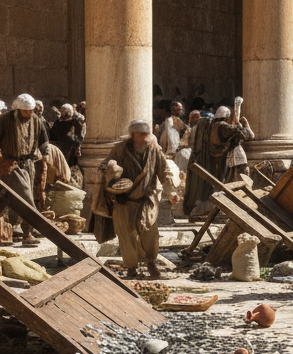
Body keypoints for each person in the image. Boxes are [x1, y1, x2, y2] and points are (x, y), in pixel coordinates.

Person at [97, 119, 179, 279]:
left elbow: (165, 173)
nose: (143, 138)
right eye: (140, 134)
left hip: (146, 199)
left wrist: (171, 193)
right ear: (133, 135)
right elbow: (105, 164)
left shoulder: (154, 151)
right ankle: (131, 268)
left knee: (150, 233)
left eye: (145, 134)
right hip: (123, 199)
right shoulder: (119, 149)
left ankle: (150, 262)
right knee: (126, 236)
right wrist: (111, 168)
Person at [0, 93, 50, 243]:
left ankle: (27, 232)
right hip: (9, 164)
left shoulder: (36, 121)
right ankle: (14, 230)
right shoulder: (5, 120)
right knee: (14, 198)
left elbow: (44, 141)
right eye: (26, 111)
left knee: (27, 196)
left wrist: (45, 155)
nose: (29, 114)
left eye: (31, 111)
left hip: (28, 163)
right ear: (17, 110)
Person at [182, 111, 217, 219]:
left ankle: (196, 211)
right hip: (202, 161)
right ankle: (198, 212)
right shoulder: (205, 129)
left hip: (197, 160)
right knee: (199, 187)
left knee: (197, 187)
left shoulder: (196, 128)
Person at [210, 105, 254, 181]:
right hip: (232, 159)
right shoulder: (224, 127)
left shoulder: (214, 126)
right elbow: (248, 135)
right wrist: (245, 125)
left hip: (223, 158)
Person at [48, 103, 85, 168]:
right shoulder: (58, 122)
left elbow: (78, 137)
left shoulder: (76, 123)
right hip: (60, 150)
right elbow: (53, 135)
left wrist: (77, 146)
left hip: (70, 152)